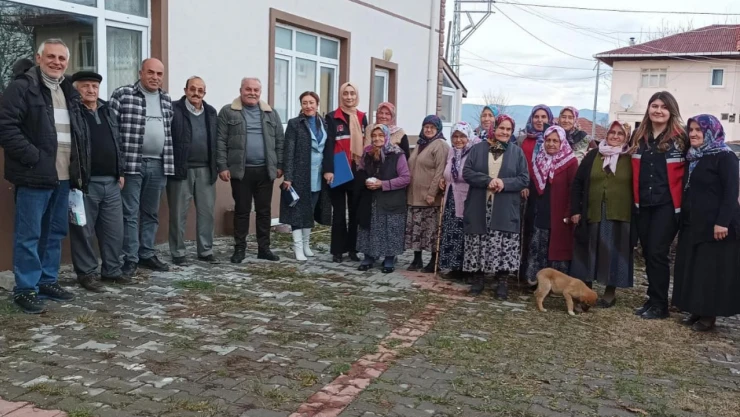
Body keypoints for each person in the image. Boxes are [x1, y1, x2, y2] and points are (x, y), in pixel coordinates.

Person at [0, 39, 90, 313]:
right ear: (38, 58)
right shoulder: (22, 87)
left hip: (64, 176)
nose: (56, 62)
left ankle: (47, 281)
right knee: (29, 235)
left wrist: (78, 167)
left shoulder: (68, 90)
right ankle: (26, 288)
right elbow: (5, 126)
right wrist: (35, 157)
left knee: (54, 232)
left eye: (61, 58)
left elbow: (78, 132)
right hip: (34, 175)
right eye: (51, 56)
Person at [673, 115, 740, 331]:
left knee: (710, 271)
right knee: (695, 268)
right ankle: (696, 309)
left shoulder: (725, 157)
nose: (693, 134)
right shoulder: (694, 156)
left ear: (711, 132)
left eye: (698, 130)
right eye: (691, 129)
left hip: (716, 226)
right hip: (694, 223)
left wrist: (722, 222)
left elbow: (731, 192)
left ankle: (708, 315)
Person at [109, 58, 174, 277]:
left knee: (151, 213)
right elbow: (112, 131)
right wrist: (117, 166)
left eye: (159, 74)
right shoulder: (123, 94)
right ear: (140, 73)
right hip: (131, 164)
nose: (155, 77)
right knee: (130, 213)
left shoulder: (166, 99)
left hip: (158, 164)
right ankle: (130, 258)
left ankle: (147, 253)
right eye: (150, 72)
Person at [68, 71, 129, 292]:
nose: (91, 90)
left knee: (114, 230)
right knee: (83, 231)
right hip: (85, 182)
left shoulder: (107, 110)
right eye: (85, 86)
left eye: (94, 86)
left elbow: (117, 142)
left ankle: (112, 270)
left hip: (111, 182)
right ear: (76, 89)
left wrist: (120, 170)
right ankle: (87, 273)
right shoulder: (72, 112)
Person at [631, 91, 687, 320]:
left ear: (671, 111)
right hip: (643, 203)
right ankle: (653, 298)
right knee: (647, 251)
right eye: (654, 106)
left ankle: (661, 305)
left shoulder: (680, 138)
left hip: (668, 205)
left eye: (663, 107)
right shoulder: (638, 136)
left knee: (657, 252)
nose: (658, 110)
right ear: (648, 109)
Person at [217, 77, 285, 263]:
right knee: (242, 211)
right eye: (248, 89)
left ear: (260, 92)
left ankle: (264, 249)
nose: (252, 93)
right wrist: (222, 166)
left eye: (256, 90)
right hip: (241, 171)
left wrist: (279, 165)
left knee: (264, 212)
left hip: (265, 170)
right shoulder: (228, 111)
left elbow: (280, 140)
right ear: (241, 90)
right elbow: (220, 141)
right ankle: (240, 249)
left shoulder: (271, 113)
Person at [463, 115, 529, 298]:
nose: (505, 132)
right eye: (501, 128)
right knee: (479, 240)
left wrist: (503, 183)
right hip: (480, 204)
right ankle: (478, 278)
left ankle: (502, 282)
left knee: (504, 243)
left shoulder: (517, 153)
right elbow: (467, 172)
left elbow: (524, 179)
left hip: (505, 206)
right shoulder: (478, 149)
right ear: (494, 128)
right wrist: (488, 181)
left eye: (508, 129)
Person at [570, 121, 634, 307]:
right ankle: (586, 289)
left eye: (620, 134)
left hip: (620, 214)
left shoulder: (630, 158)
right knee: (589, 250)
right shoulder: (593, 155)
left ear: (626, 138)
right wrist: (575, 210)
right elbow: (577, 183)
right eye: (612, 132)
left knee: (614, 251)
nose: (615, 136)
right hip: (593, 212)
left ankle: (609, 292)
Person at [166, 76, 219, 265]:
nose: (196, 93)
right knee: (178, 214)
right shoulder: (173, 109)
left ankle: (206, 251)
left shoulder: (211, 112)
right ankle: (178, 252)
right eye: (193, 89)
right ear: (185, 90)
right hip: (181, 169)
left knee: (207, 213)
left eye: (200, 90)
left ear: (204, 93)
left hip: (206, 169)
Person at [280, 91, 333, 261]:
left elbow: (327, 148)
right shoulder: (295, 124)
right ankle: (297, 247)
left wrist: (328, 169)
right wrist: (288, 176)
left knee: (309, 210)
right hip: (299, 174)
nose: (308, 106)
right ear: (301, 105)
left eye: (311, 102)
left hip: (317, 175)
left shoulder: (324, 123)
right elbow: (289, 151)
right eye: (304, 103)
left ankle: (306, 244)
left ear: (317, 104)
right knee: (297, 211)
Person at [524, 125, 578, 285]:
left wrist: (569, 212)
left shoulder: (570, 162)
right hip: (541, 211)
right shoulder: (539, 159)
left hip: (560, 214)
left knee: (558, 249)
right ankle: (536, 281)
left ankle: (557, 284)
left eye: (555, 141)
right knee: (539, 246)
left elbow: (574, 189)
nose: (551, 144)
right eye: (548, 140)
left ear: (562, 142)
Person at [355, 124, 410, 273]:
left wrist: (383, 184)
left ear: (387, 137)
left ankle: (389, 259)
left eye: (380, 135)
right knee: (368, 227)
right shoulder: (367, 153)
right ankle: (368, 257)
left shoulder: (397, 154)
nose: (377, 139)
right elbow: (360, 171)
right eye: (374, 136)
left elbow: (405, 178)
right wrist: (365, 181)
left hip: (390, 198)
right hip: (370, 197)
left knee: (389, 229)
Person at [326, 82, 367, 263]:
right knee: (339, 213)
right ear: (340, 95)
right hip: (339, 167)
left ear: (356, 96)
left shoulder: (362, 117)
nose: (349, 97)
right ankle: (337, 250)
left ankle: (353, 249)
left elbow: (366, 145)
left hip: (357, 168)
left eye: (352, 93)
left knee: (355, 212)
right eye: (345, 93)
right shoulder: (331, 117)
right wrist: (328, 169)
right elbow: (328, 146)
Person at [405, 115, 450, 272]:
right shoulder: (420, 144)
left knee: (431, 230)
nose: (429, 130)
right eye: (426, 127)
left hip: (429, 197)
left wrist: (432, 193)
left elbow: (440, 171)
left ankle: (433, 260)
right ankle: (417, 259)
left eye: (432, 127)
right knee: (416, 230)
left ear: (438, 129)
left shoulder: (440, 145)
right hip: (414, 196)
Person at [438, 121, 479, 279]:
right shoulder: (452, 152)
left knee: (463, 233)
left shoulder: (473, 153)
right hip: (451, 198)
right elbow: (448, 172)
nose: (458, 140)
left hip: (466, 199)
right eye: (455, 136)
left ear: (468, 137)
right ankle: (453, 267)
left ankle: (465, 270)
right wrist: (444, 179)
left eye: (462, 136)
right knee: (451, 232)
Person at [518, 105, 554, 284]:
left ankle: (541, 274)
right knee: (525, 230)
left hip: (545, 192)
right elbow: (518, 164)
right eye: (536, 116)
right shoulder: (523, 139)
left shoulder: (553, 139)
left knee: (541, 234)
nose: (540, 120)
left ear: (549, 119)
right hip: (525, 190)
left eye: (543, 117)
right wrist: (523, 184)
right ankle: (523, 271)